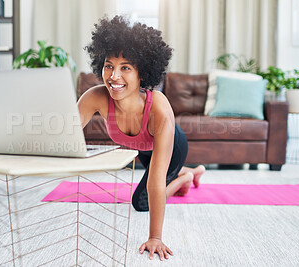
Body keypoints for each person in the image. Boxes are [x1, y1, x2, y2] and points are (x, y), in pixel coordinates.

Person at [77, 15, 205, 261]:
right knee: (153, 174)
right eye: (108, 65)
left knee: (141, 201)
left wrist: (155, 237)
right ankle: (190, 172)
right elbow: (66, 136)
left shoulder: (158, 107)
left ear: (142, 73)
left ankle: (186, 176)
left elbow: (155, 181)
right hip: (142, 149)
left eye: (125, 67)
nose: (114, 76)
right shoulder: (95, 96)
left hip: (171, 147)